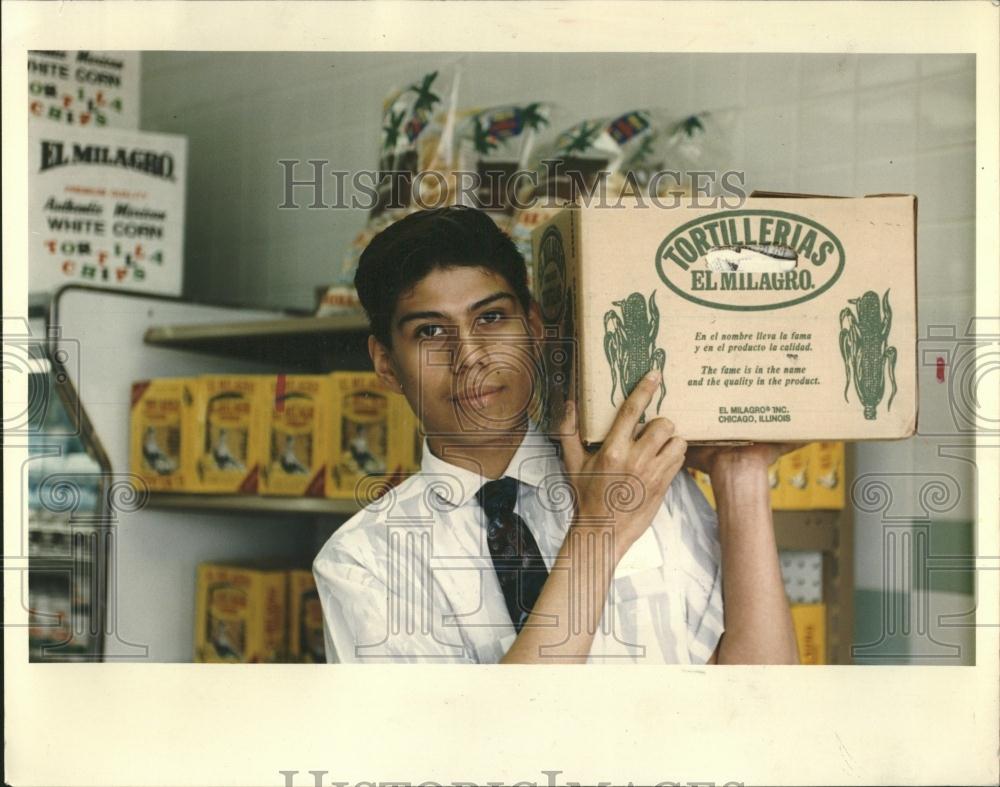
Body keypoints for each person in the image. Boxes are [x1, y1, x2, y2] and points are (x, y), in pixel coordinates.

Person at [313, 205, 799, 664]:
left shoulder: (643, 477)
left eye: (490, 318)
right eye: (431, 333)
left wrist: (741, 473)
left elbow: (761, 699)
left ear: (533, 326)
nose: (472, 357)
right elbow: (481, 745)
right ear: (385, 364)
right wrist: (599, 532)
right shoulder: (365, 560)